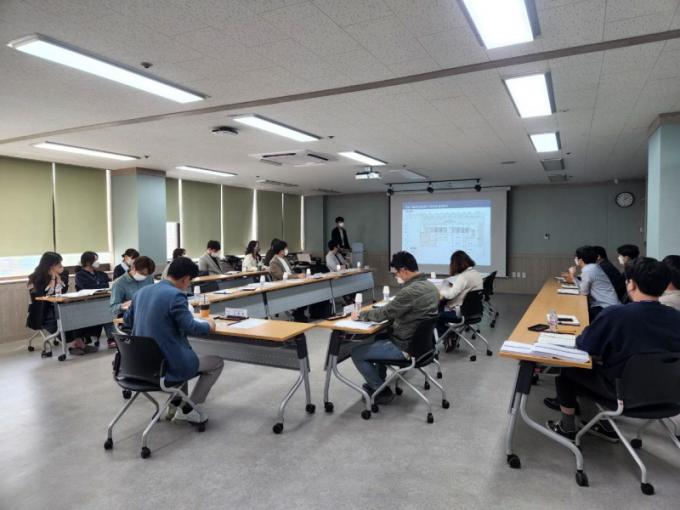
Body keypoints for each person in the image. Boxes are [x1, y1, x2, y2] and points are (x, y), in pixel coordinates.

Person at [546, 257, 680, 442]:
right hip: (670, 395)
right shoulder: (676, 317)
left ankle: (568, 428)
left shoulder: (616, 315)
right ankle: (599, 423)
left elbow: (585, 346)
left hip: (623, 393)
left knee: (569, 372)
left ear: (631, 284)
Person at [124, 257, 224, 425]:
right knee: (216, 363)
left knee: (180, 353)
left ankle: (176, 403)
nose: (188, 285)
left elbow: (128, 321)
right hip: (166, 366)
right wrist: (209, 325)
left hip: (139, 366)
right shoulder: (176, 295)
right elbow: (191, 327)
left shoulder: (141, 292)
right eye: (189, 281)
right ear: (186, 279)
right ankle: (188, 407)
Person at [350, 251, 439, 404]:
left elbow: (384, 313)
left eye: (396, 273)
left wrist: (360, 315)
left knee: (357, 353)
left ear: (403, 270)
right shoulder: (431, 287)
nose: (396, 276)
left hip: (405, 347)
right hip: (424, 347)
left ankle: (380, 391)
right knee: (379, 338)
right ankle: (379, 382)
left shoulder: (409, 292)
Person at [27, 252, 92, 355]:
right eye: (58, 263)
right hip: (42, 310)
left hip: (59, 305)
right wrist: (53, 278)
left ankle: (79, 342)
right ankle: (72, 345)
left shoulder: (63, 273)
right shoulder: (36, 277)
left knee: (75, 314)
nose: (61, 265)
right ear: (49, 265)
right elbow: (44, 295)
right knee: (60, 317)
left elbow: (63, 290)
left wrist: (59, 278)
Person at [436, 250, 483, 338]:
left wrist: (438, 292)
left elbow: (450, 295)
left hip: (460, 313)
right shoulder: (476, 274)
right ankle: (450, 336)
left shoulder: (463, 277)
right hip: (475, 311)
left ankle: (447, 336)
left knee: (434, 314)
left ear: (456, 264)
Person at [75, 251, 116, 349]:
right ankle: (109, 338)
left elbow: (110, 284)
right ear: (88, 262)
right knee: (105, 312)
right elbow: (86, 288)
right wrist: (102, 285)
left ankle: (112, 338)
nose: (98, 262)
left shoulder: (101, 273)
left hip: (104, 301)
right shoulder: (80, 275)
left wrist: (100, 285)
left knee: (107, 312)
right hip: (88, 303)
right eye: (95, 260)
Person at [568, 245, 620, 321]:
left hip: (606, 308)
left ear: (580, 260)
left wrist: (572, 275)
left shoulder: (588, 270)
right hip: (609, 305)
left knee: (579, 314)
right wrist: (574, 278)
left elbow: (583, 292)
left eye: (576, 258)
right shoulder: (593, 267)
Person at [269, 240, 306, 321]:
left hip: (292, 283)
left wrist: (299, 276)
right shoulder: (273, 262)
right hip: (282, 286)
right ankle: (297, 314)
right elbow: (281, 276)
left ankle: (299, 313)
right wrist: (297, 276)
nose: (287, 250)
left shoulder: (284, 259)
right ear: (281, 250)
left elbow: (291, 272)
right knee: (303, 294)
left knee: (307, 291)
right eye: (285, 248)